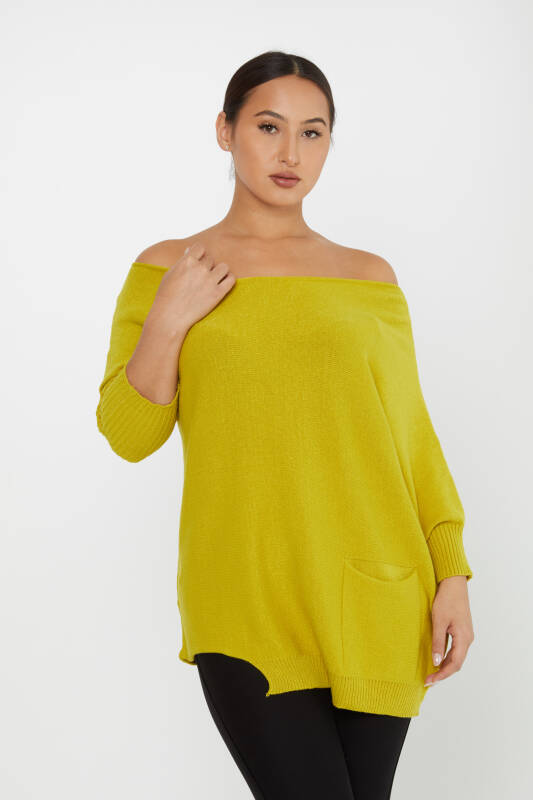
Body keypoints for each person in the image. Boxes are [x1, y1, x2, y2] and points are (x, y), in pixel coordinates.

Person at [96, 50, 475, 799]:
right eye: (268, 127)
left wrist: (452, 571)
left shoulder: (368, 278)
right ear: (225, 130)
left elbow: (411, 439)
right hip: (245, 598)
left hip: (375, 591)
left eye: (312, 133)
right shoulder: (170, 268)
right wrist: (169, 318)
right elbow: (129, 434)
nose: (290, 154)